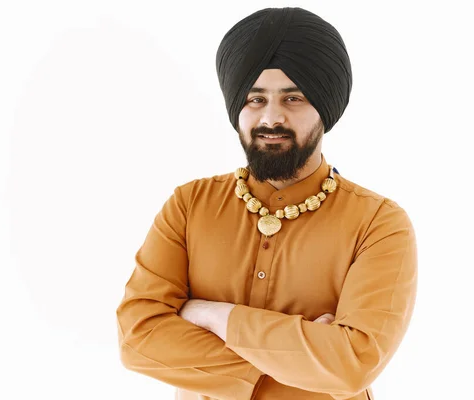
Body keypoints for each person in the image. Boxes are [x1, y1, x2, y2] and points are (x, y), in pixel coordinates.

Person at [115, 6, 417, 400]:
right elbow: (138, 338)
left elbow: (353, 363)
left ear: (324, 108)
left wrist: (213, 316)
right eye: (255, 99)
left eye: (293, 98)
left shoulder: (378, 222)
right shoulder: (189, 205)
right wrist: (305, 353)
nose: (271, 117)